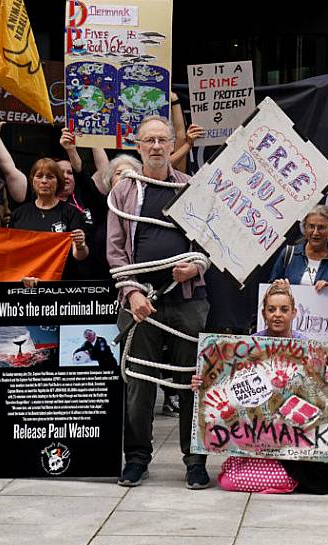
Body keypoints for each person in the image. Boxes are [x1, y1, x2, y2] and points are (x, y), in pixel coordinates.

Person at [191, 281, 328, 494]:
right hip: (258, 439)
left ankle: (293, 479)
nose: (277, 314)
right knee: (228, 481)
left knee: (242, 479)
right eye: (271, 309)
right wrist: (201, 383)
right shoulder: (248, 345)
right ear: (264, 313)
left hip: (295, 442)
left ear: (294, 312)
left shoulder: (309, 348)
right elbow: (223, 384)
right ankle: (292, 481)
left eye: (283, 309)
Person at [107, 115, 210, 489]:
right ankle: (136, 458)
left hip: (186, 299)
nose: (155, 147)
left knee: (191, 382)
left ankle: (195, 461)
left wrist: (194, 268)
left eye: (162, 140)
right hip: (140, 301)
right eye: (148, 140)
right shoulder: (124, 192)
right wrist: (132, 293)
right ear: (138, 146)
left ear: (172, 145)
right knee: (138, 381)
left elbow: (209, 245)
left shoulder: (192, 189)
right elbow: (116, 252)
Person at [9, 159, 89, 273]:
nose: (44, 181)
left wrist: (81, 245)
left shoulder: (71, 213)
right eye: (39, 176)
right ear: (32, 180)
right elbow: (12, 253)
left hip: (60, 282)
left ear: (59, 182)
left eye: (50, 177)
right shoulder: (18, 214)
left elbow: (80, 256)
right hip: (26, 281)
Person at [57, 129, 110, 280]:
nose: (66, 177)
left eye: (70, 173)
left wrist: (72, 150)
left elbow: (102, 172)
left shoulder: (87, 198)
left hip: (93, 277)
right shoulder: (44, 207)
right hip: (58, 278)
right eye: (60, 173)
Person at [269, 205, 328, 292]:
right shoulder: (289, 254)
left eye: (321, 227)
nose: (315, 232)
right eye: (311, 226)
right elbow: (269, 291)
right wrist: (278, 287)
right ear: (304, 228)